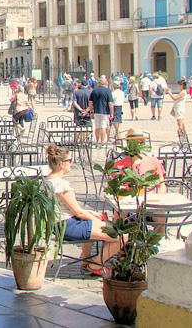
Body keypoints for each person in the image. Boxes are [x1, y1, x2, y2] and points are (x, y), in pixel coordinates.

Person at [44, 144, 122, 275]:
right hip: (67, 226)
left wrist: (93, 215)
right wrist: (100, 222)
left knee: (99, 219)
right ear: (61, 164)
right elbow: (78, 212)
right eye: (70, 160)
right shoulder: (60, 185)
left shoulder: (48, 180)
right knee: (121, 236)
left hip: (59, 224)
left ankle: (87, 260)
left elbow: (74, 210)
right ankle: (95, 265)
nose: (71, 163)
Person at [89, 78, 114, 143]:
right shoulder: (108, 91)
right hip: (105, 111)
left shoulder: (94, 91)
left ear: (99, 83)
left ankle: (97, 140)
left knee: (97, 127)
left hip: (96, 111)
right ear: (106, 83)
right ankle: (102, 142)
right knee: (103, 127)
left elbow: (90, 102)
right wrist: (112, 113)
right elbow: (110, 103)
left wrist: (91, 111)